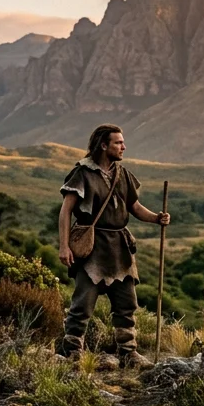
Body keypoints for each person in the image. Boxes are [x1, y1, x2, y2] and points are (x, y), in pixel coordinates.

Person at [58, 124, 169, 355]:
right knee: (83, 304)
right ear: (103, 145)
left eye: (122, 142)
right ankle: (72, 353)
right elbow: (65, 210)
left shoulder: (123, 174)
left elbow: (135, 207)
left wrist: (157, 218)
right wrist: (64, 246)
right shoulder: (83, 173)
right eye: (118, 143)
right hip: (91, 247)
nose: (123, 147)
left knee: (126, 302)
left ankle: (128, 352)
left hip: (120, 247)